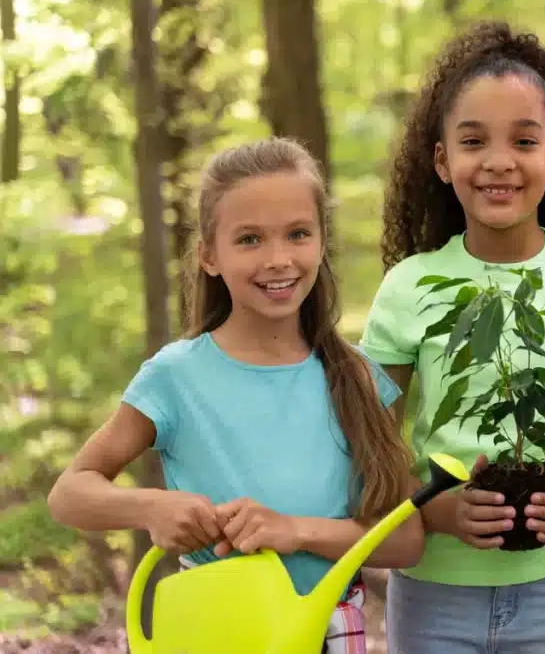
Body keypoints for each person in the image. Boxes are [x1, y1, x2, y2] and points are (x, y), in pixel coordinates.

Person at [47, 138, 424, 654]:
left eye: (298, 234)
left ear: (321, 241)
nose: (278, 259)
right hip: (211, 631)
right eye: (249, 239)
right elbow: (69, 494)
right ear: (209, 255)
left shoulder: (356, 377)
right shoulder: (175, 377)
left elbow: (405, 538)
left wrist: (296, 531)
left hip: (328, 635)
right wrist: (150, 507)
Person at [358, 21, 545, 654]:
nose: (498, 161)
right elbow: (368, 448)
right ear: (442, 161)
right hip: (433, 593)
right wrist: (438, 510)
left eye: (524, 140)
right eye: (473, 141)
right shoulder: (408, 288)